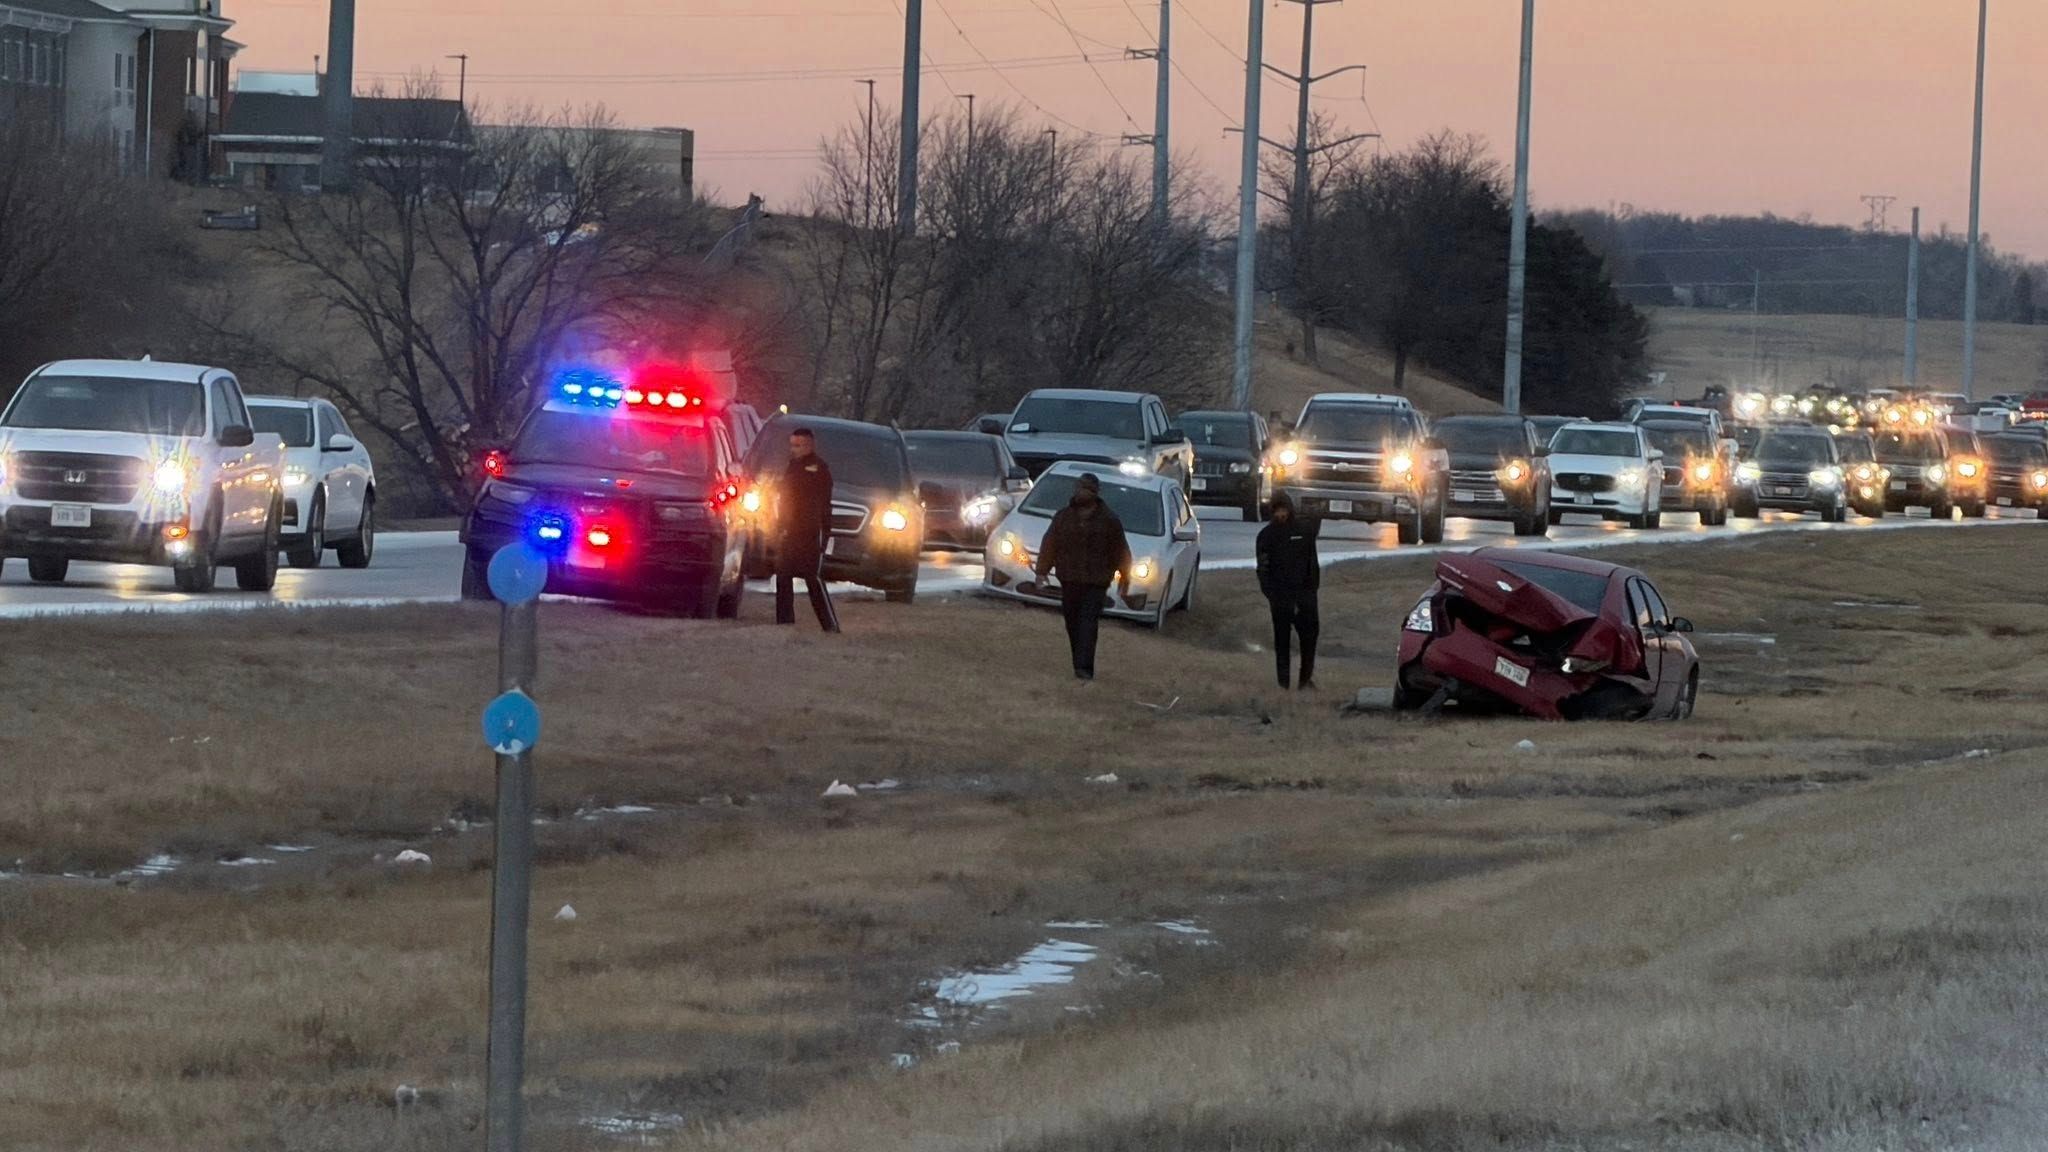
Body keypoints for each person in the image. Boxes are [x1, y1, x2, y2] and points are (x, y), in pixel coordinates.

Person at [1033, 472, 1131, 681]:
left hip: (1096, 582)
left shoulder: (1109, 520)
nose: (1080, 492)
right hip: (1069, 579)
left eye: (1085, 489)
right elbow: (1050, 544)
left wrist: (1125, 578)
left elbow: (1120, 550)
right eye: (1078, 488)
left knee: (1088, 622)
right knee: (1072, 622)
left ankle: (1084, 669)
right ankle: (1079, 661)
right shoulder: (1063, 517)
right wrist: (1041, 572)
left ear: (1094, 493)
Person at [775, 428, 840, 632]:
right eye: (792, 444)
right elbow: (786, 498)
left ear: (809, 445)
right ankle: (784, 623)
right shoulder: (792, 467)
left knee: (813, 578)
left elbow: (824, 505)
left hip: (810, 532)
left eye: (798, 445)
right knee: (783, 575)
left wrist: (824, 533)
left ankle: (830, 625)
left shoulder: (819, 468)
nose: (793, 449)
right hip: (790, 530)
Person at [1256, 490, 1321, 690]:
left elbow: (1313, 564)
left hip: (1305, 596)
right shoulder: (1266, 537)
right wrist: (1272, 596)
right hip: (1280, 597)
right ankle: (1283, 683)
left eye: (1283, 510)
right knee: (1282, 642)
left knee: (1309, 638)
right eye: (1277, 511)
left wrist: (1311, 592)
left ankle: (1305, 680)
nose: (1280, 515)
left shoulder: (1304, 531)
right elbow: (1263, 570)